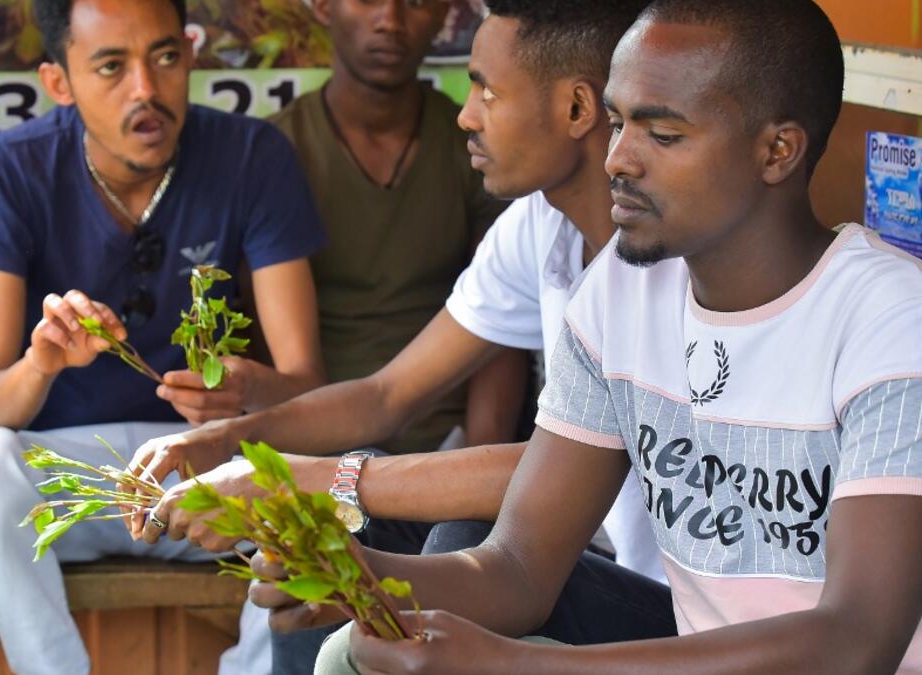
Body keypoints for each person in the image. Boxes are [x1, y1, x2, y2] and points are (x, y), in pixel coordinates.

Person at [292, 1, 922, 672]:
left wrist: (517, 665)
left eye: (663, 134)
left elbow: (858, 638)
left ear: (777, 150)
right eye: (619, 122)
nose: (618, 158)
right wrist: (344, 571)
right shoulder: (624, 289)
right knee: (354, 652)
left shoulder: (890, 319)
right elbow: (518, 567)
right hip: (689, 652)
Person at [132, 0, 673, 669]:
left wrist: (311, 476)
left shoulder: (663, 259)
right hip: (571, 552)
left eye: (487, 90)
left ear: (577, 109)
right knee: (318, 534)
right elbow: (388, 394)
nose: (467, 114)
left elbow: (562, 469)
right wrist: (220, 440)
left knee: (460, 530)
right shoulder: (541, 223)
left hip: (662, 603)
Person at [0, 0, 328, 673]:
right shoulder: (10, 169)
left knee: (324, 487)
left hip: (207, 464)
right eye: (111, 67)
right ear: (59, 82)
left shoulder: (251, 155)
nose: (146, 89)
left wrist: (247, 392)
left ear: (191, 53)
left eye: (166, 57)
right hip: (73, 478)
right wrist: (41, 363)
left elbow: (308, 387)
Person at [269, 0, 519, 457]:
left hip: (446, 446)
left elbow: (504, 325)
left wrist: (477, 473)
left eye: (418, 3)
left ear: (444, 13)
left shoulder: (476, 147)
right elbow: (278, 358)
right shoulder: (276, 152)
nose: (391, 20)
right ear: (324, 7)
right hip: (316, 445)